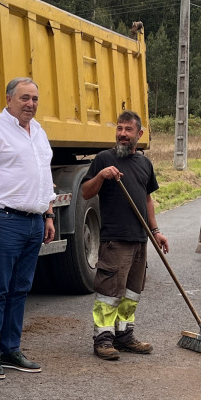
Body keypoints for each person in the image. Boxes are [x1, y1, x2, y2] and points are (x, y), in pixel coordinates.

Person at [0, 77, 56, 379]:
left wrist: (49, 214)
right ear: (8, 99)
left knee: (20, 289)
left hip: (34, 222)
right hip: (4, 221)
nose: (30, 104)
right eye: (24, 98)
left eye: (34, 99)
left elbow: (45, 176)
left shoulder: (39, 132)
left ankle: (11, 350)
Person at [80, 111, 169, 360]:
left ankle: (124, 335)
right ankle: (103, 340)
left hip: (140, 238)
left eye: (128, 130)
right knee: (109, 293)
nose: (122, 134)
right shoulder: (104, 159)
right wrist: (101, 175)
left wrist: (156, 232)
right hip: (115, 239)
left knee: (132, 292)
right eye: (119, 128)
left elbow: (148, 200)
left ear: (139, 134)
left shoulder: (144, 164)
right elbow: (86, 192)